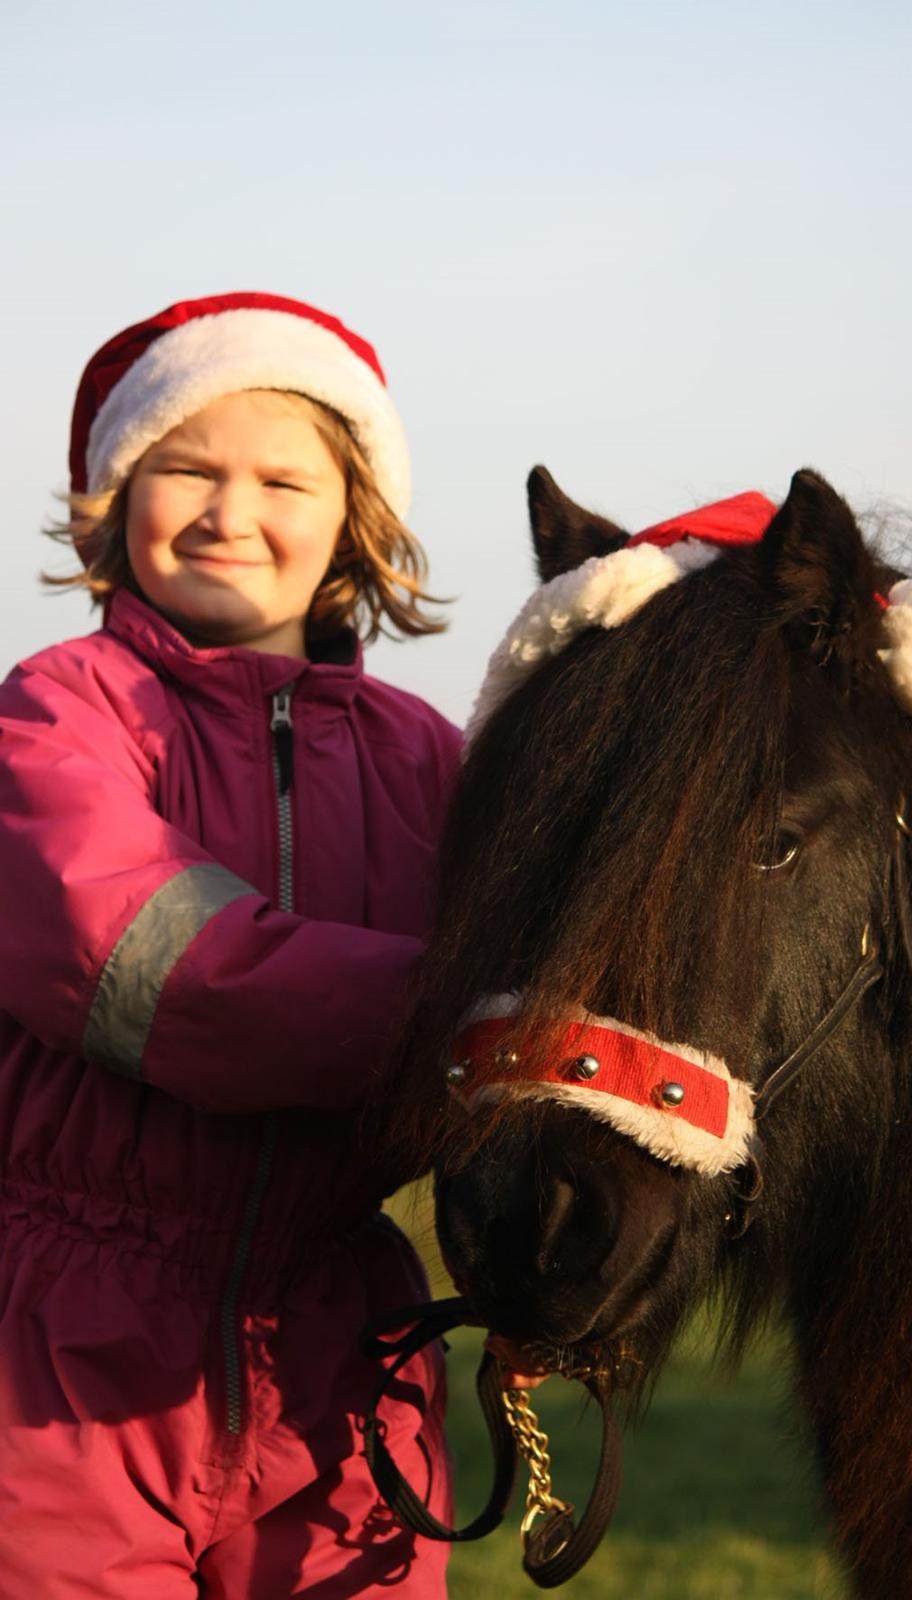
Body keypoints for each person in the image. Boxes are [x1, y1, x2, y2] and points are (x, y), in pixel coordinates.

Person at [0, 292, 460, 1597]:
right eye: (185, 470)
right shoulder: (55, 715)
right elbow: (136, 959)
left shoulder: (431, 758)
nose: (228, 509)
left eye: (282, 479)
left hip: (347, 1338)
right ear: (111, 499)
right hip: (68, 1342)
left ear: (354, 520)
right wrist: (472, 1021)